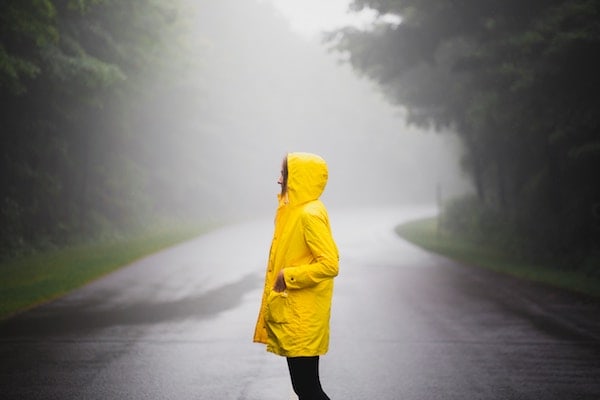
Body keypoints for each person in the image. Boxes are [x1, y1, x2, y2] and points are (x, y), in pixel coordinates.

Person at [253, 152, 339, 400]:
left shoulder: (308, 215)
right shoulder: (292, 211)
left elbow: (330, 264)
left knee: (308, 389)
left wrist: (288, 276)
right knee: (304, 388)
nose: (278, 180)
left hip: (303, 317)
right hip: (296, 313)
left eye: (284, 174)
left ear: (298, 179)